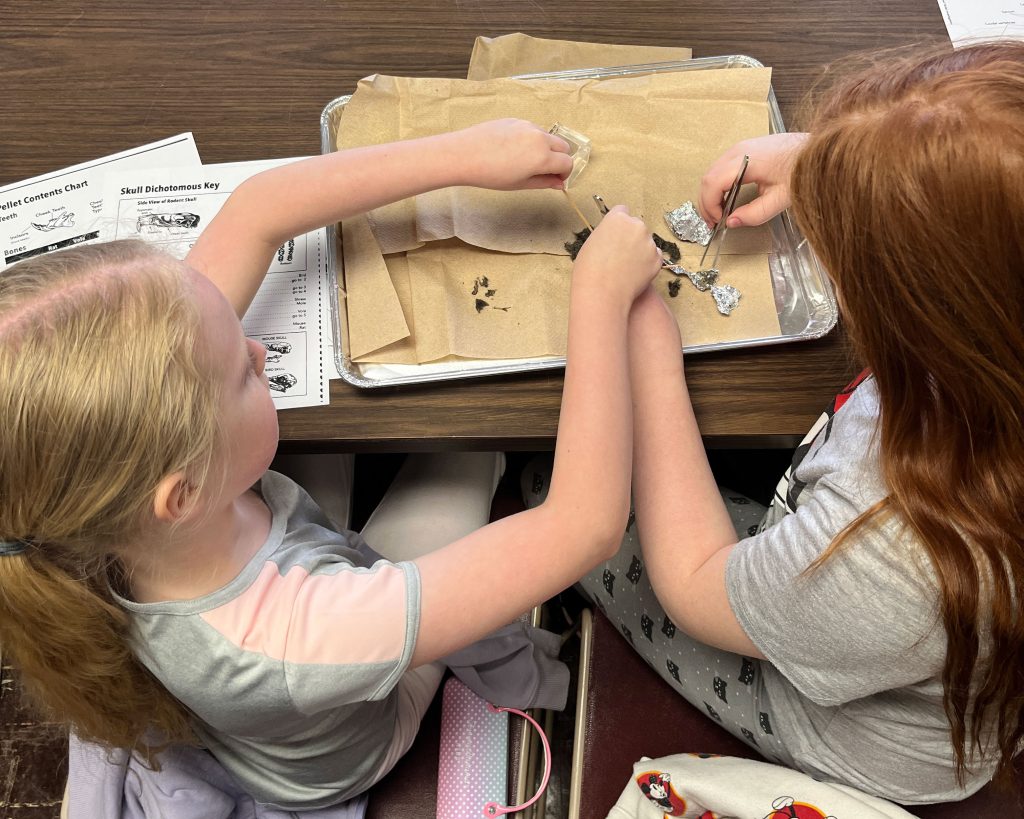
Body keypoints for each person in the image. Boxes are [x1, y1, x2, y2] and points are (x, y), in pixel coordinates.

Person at [0, 119, 664, 810]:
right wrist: (599, 296)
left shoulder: (91, 510)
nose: (258, 352)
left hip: (282, 598)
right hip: (360, 735)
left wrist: (463, 154)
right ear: (182, 491)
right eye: (241, 373)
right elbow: (584, 524)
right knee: (470, 450)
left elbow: (257, 209)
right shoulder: (301, 634)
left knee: (345, 448)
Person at [525, 41, 1024, 805]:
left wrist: (651, 343)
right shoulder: (992, 364)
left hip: (848, 719)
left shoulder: (894, 554)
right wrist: (832, 164)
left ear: (932, 313)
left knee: (545, 493)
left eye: (848, 255)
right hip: (883, 634)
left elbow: (693, 583)